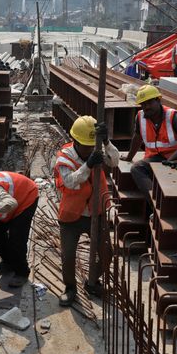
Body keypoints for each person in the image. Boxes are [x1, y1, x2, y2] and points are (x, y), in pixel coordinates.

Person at [54, 116, 119, 306]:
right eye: (86, 146)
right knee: (68, 255)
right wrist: (88, 165)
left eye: (93, 145)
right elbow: (70, 181)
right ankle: (70, 288)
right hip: (72, 215)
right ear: (75, 141)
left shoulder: (96, 149)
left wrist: (106, 142)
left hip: (96, 212)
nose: (90, 149)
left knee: (107, 252)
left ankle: (92, 281)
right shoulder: (64, 157)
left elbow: (114, 161)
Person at [125, 85, 177, 194]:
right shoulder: (140, 117)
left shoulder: (172, 115)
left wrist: (171, 159)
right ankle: (156, 202)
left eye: (149, 102)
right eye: (143, 104)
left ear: (158, 100)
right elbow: (137, 138)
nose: (146, 107)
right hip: (155, 158)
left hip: (176, 156)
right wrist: (129, 157)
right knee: (136, 168)